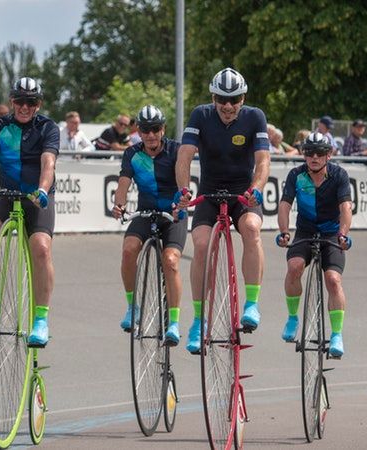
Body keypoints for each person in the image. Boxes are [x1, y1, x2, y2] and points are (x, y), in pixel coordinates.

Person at [175, 67, 270, 353]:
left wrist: (256, 188)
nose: (228, 106)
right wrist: (183, 188)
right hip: (209, 192)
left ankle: (251, 303)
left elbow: (263, 161)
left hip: (243, 193)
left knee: (252, 228)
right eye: (221, 99)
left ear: (243, 98)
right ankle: (198, 320)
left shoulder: (255, 117)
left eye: (235, 99)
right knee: (201, 245)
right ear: (213, 97)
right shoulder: (200, 115)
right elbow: (184, 157)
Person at [0, 77, 60, 348]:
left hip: (36, 196)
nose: (25, 107)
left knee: (41, 247)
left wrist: (42, 190)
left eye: (31, 102)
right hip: (8, 193)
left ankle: (41, 319)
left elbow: (48, 162)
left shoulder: (48, 127)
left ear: (38, 104)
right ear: (12, 101)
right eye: (20, 101)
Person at [111, 105, 186, 344]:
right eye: (145, 130)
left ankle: (174, 321)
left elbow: (184, 180)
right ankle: (133, 307)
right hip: (145, 212)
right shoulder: (132, 153)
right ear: (138, 131)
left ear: (163, 129)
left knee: (171, 261)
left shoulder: (176, 150)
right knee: (128, 250)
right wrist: (120, 205)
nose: (151, 135)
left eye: (155, 129)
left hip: (172, 213)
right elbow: (123, 182)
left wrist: (181, 203)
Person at [276, 132, 352, 357]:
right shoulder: (296, 175)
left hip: (331, 233)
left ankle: (336, 334)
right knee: (294, 267)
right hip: (305, 231)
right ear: (304, 155)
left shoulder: (339, 175)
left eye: (320, 153)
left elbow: (346, 207)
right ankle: (292, 318)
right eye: (309, 153)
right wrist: (284, 232)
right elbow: (284, 205)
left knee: (333, 280)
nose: (314, 157)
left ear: (329, 155)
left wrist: (343, 234)